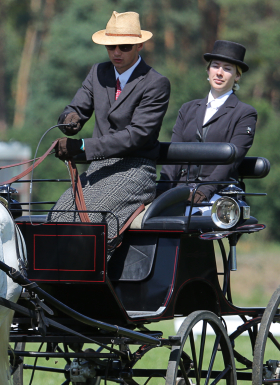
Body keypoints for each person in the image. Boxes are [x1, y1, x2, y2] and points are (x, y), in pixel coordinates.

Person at [48, 10, 171, 255]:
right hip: (99, 169)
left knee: (92, 220)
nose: (116, 52)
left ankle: (92, 286)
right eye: (110, 46)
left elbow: (137, 135)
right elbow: (75, 109)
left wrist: (83, 147)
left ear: (140, 45)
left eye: (124, 46)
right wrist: (69, 120)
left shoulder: (155, 83)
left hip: (135, 170)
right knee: (56, 218)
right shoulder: (98, 73)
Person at [158, 40, 257, 204]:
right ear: (208, 70)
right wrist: (162, 189)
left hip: (220, 195)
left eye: (227, 68)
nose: (219, 73)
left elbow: (232, 160)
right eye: (215, 66)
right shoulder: (187, 109)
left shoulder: (245, 113)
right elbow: (173, 155)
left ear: (237, 75)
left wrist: (205, 190)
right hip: (180, 192)